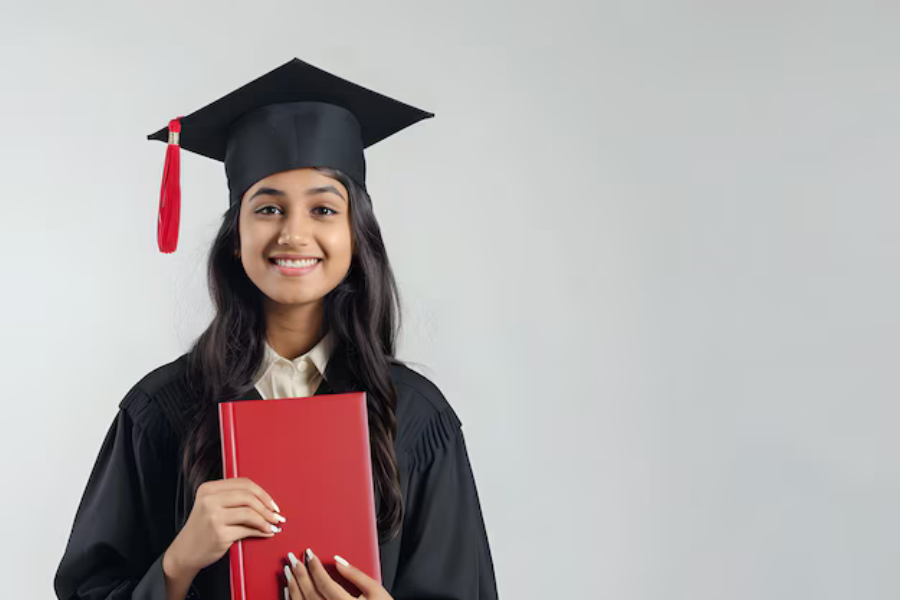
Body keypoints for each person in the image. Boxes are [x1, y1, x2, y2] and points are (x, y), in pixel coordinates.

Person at [54, 57, 498, 600]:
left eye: (324, 210)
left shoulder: (415, 418)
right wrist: (176, 565)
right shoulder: (162, 411)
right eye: (267, 208)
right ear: (235, 237)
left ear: (356, 236)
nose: (293, 233)